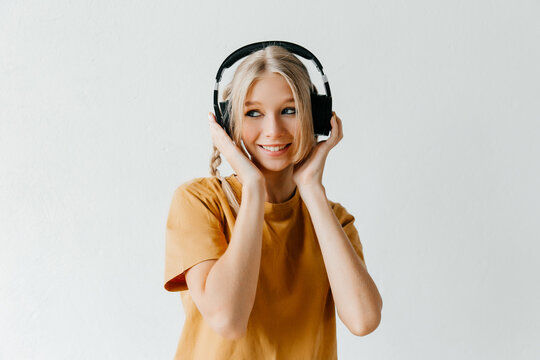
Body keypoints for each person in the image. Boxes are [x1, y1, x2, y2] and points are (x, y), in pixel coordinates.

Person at [164, 43, 383, 360]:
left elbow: (363, 320)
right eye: (253, 113)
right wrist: (253, 189)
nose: (273, 130)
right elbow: (228, 320)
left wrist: (311, 188)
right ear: (229, 123)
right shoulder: (199, 202)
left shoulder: (334, 220)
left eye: (289, 110)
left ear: (316, 117)